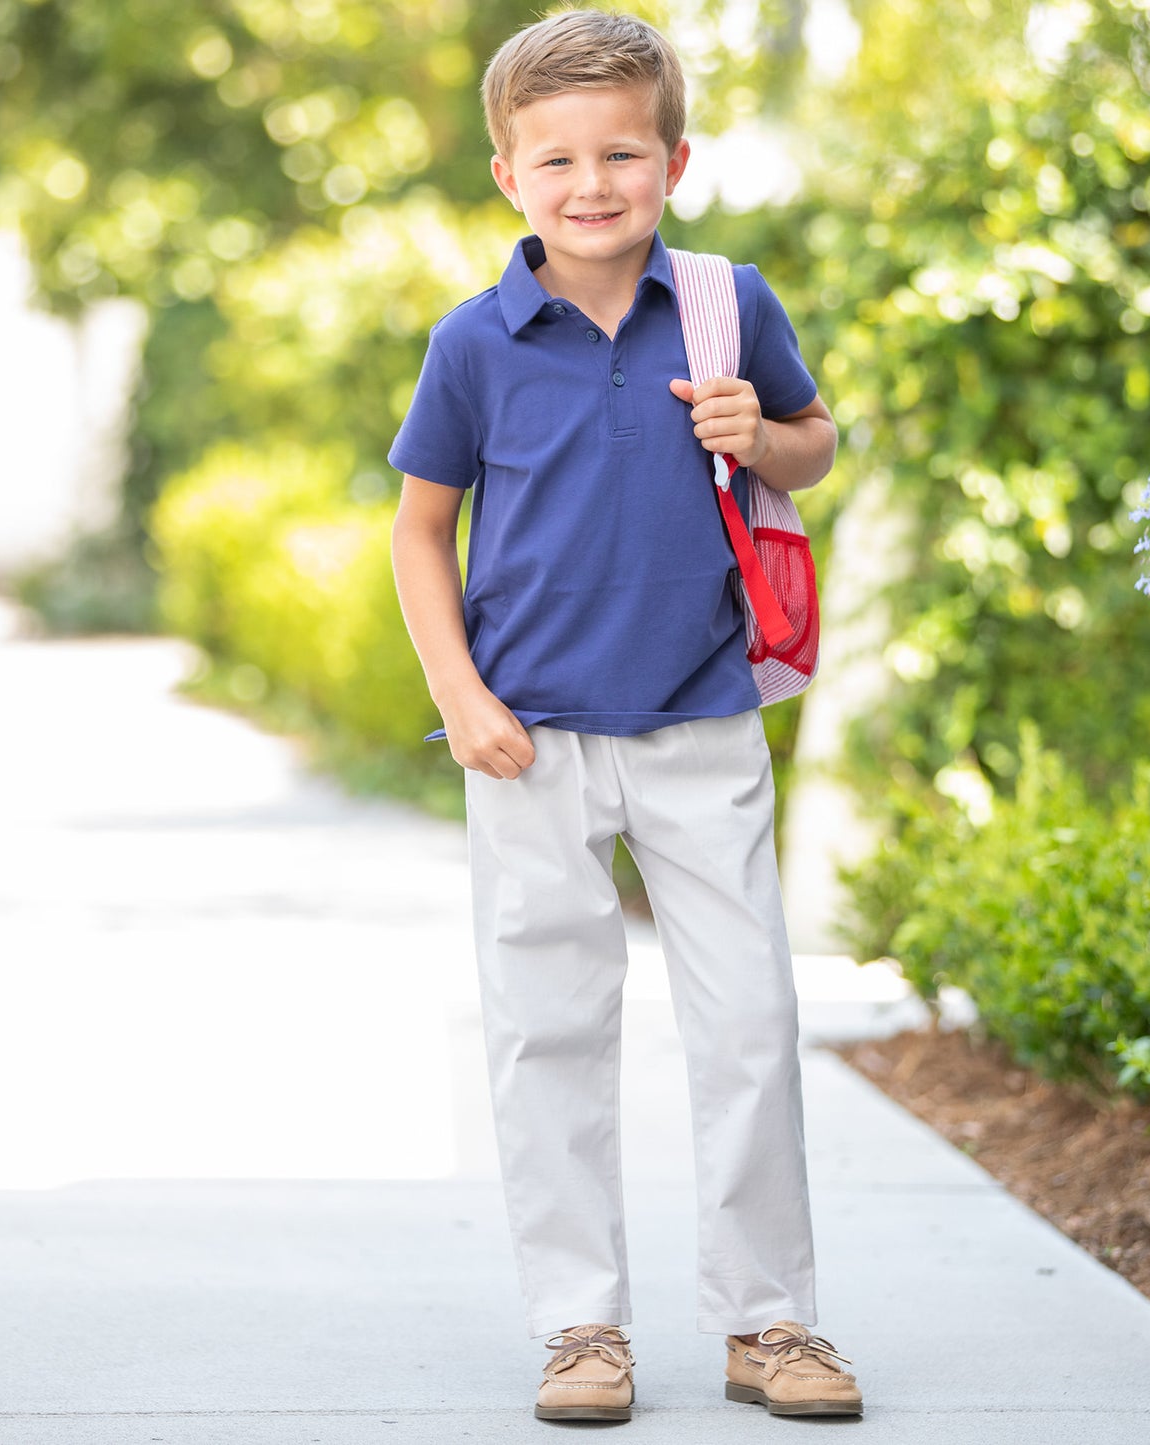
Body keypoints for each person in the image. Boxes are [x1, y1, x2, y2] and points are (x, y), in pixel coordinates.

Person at [387, 8, 861, 1423]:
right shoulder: (474, 342)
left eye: (622, 155)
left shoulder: (726, 304)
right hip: (525, 738)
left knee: (748, 1022)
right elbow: (420, 531)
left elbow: (814, 443)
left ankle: (769, 1321)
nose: (592, 185)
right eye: (557, 161)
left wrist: (757, 436)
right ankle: (579, 1325)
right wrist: (457, 695)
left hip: (700, 721)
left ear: (674, 158)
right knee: (548, 1031)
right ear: (508, 177)